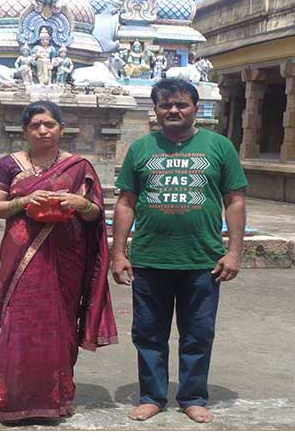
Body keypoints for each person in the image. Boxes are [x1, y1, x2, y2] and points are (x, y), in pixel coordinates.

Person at [111, 78, 248, 424]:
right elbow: (126, 202)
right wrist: (118, 253)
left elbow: (234, 201)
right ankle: (153, 396)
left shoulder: (219, 147)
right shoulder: (141, 149)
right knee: (148, 333)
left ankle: (192, 396)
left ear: (195, 108)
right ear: (155, 110)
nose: (173, 110)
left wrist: (233, 252)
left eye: (181, 104)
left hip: (202, 260)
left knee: (198, 333)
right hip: (150, 258)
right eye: (165, 105)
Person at [0, 100, 118, 424]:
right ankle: (17, 403)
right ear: (25, 130)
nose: (42, 130)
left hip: (66, 260)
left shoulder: (79, 166)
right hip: (22, 259)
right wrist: (23, 201)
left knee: (60, 327)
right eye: (35, 125)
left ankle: (57, 399)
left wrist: (80, 203)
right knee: (19, 326)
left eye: (49, 124)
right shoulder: (8, 165)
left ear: (61, 128)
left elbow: (96, 214)